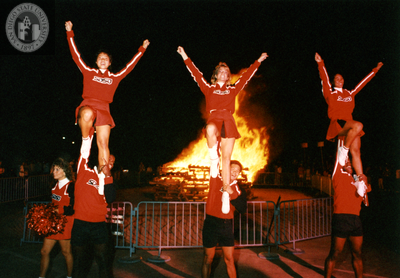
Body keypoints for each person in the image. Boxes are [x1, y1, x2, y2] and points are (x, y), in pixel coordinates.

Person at [177, 46, 267, 205]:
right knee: (210, 129)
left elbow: (246, 76)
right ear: (216, 75)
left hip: (229, 121)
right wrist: (184, 55)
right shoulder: (209, 88)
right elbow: (195, 74)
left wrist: (258, 61)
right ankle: (213, 160)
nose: (225, 74)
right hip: (214, 119)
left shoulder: (233, 89)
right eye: (222, 71)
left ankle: (226, 193)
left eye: (227, 72)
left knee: (226, 159)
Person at [65, 20, 150, 171]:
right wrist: (70, 33)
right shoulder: (88, 71)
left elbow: (130, 66)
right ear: (96, 62)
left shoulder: (114, 77)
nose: (103, 60)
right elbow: (76, 56)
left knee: (104, 144)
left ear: (109, 62)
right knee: (87, 113)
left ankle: (105, 176)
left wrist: (141, 49)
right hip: (88, 104)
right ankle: (86, 140)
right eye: (100, 58)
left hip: (104, 109)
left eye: (106, 58)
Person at [315, 53, 383, 190]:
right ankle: (343, 150)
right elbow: (324, 78)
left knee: (356, 151)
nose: (339, 80)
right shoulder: (330, 93)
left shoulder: (349, 94)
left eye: (341, 78)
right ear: (334, 82)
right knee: (359, 125)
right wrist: (320, 63)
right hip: (338, 124)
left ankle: (359, 180)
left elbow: (363, 83)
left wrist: (375, 70)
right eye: (336, 78)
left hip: (350, 126)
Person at [71, 128, 116, 278]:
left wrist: (108, 175)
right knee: (78, 263)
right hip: (80, 224)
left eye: (112, 161)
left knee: (103, 262)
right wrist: (91, 131)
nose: (109, 161)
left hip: (99, 226)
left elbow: (110, 198)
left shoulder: (106, 181)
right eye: (108, 158)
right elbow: (85, 149)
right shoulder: (84, 171)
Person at [324, 142, 371, 278]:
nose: (349, 163)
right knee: (335, 254)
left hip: (355, 220)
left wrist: (364, 182)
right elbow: (341, 150)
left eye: (351, 162)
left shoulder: (357, 180)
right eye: (346, 161)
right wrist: (346, 139)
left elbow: (366, 203)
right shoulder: (338, 176)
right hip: (341, 218)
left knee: (357, 254)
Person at [202, 160, 244, 278]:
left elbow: (238, 199)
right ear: (226, 169)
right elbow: (214, 164)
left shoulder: (236, 188)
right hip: (211, 223)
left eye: (237, 171)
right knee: (208, 258)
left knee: (229, 259)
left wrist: (230, 191)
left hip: (226, 225)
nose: (235, 172)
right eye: (233, 169)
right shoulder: (215, 179)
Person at [39, 158, 75, 278]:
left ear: (64, 171)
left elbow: (73, 208)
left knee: (66, 252)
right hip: (53, 223)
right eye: (53, 169)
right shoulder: (54, 185)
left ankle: (70, 276)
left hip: (65, 223)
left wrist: (58, 210)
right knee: (44, 251)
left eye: (57, 169)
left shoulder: (71, 186)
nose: (53, 172)